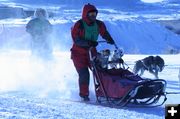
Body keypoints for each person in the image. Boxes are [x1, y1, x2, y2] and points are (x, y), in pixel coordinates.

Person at [71, 3, 115, 101]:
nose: (93, 17)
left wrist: (109, 39)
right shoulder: (79, 25)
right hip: (78, 53)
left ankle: (106, 92)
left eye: (94, 14)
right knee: (84, 74)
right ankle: (84, 95)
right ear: (85, 14)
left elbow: (104, 33)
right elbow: (76, 40)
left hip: (91, 51)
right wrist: (89, 43)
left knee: (100, 71)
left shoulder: (99, 24)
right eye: (90, 14)